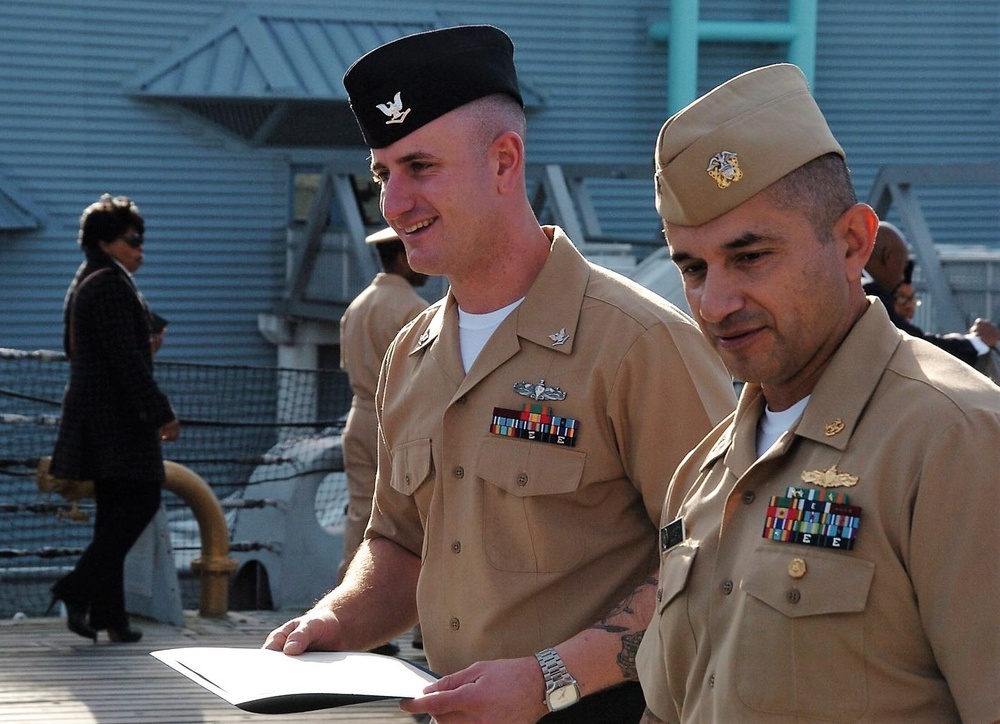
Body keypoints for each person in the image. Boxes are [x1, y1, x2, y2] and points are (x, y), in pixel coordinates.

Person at [264, 25, 736, 722]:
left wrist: (549, 679)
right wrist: (335, 620)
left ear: (504, 162)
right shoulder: (414, 352)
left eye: (420, 167)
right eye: (383, 174)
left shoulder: (640, 343)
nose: (394, 205)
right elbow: (398, 543)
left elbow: (715, 557)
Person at [635, 63, 1000, 723]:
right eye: (692, 267)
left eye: (750, 257)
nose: (715, 303)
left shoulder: (955, 441)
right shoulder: (709, 470)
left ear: (853, 242)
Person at [48, 194, 180, 644]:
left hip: (97, 417)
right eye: (132, 240)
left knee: (112, 514)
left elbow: (88, 350)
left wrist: (142, 346)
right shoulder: (109, 285)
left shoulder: (89, 280)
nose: (140, 249)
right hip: (117, 421)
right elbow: (126, 362)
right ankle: (75, 588)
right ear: (106, 242)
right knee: (141, 500)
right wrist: (161, 413)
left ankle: (111, 615)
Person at [338, 226, 429, 655]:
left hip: (357, 416)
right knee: (418, 522)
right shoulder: (414, 308)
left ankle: (351, 619)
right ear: (399, 258)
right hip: (400, 421)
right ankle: (423, 625)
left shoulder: (357, 306)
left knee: (362, 517)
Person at [865, 220, 999, 365]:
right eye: (902, 266)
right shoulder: (867, 292)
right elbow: (914, 346)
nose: (902, 277)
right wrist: (975, 341)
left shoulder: (848, 282)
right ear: (888, 257)